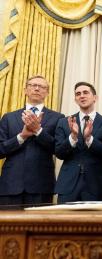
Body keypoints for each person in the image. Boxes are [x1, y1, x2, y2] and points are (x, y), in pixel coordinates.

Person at [0, 75, 64, 205]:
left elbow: (59, 149)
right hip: (10, 185)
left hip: (41, 186)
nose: (36, 89)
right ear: (25, 90)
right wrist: (21, 136)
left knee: (39, 226)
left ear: (47, 92)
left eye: (41, 87)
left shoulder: (58, 118)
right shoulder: (9, 117)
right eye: (33, 85)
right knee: (8, 225)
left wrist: (38, 131)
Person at [54, 82, 102, 203]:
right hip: (68, 184)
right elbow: (59, 153)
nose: (82, 96)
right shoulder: (64, 122)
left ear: (95, 98)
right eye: (78, 94)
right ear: (75, 99)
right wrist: (73, 137)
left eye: (86, 92)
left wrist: (89, 139)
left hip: (97, 184)